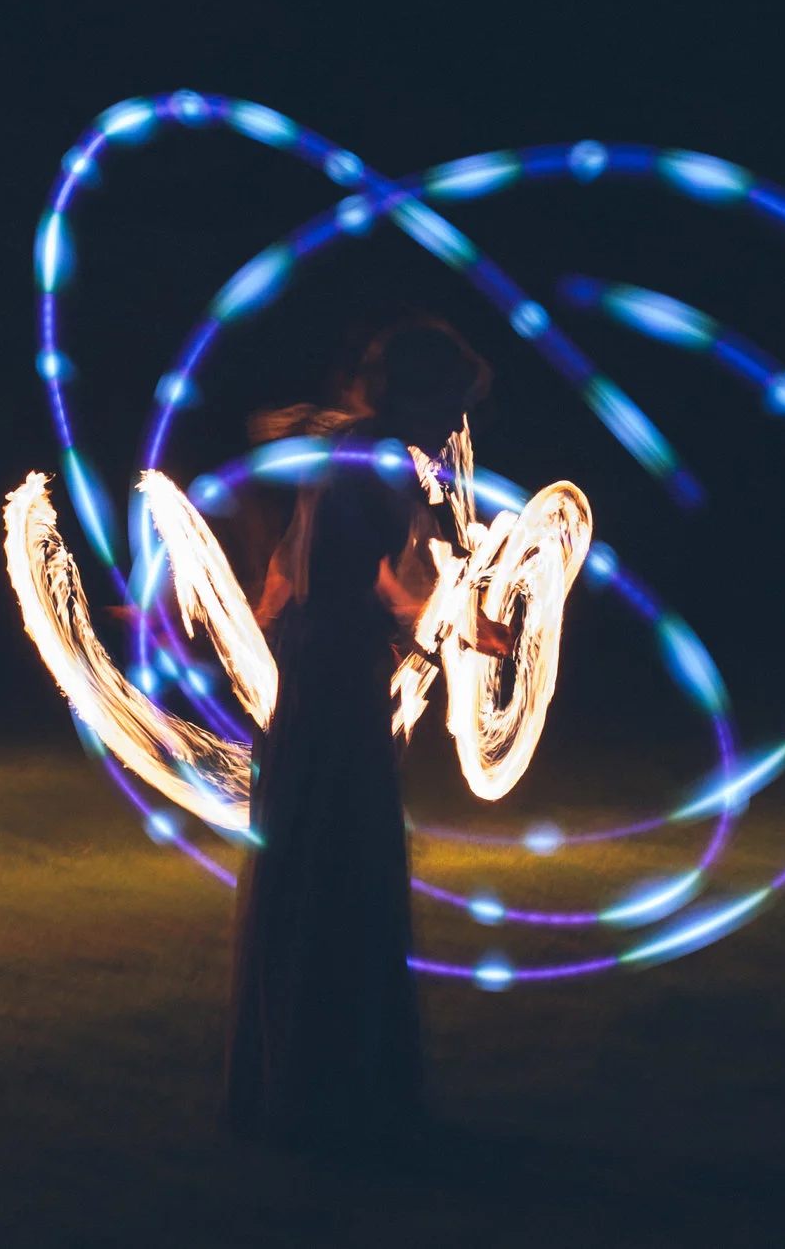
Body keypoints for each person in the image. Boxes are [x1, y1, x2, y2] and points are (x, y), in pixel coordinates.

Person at [226, 318, 501, 1147]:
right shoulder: (379, 457)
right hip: (338, 679)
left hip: (323, 670)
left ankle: (303, 1086)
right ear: (417, 395)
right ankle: (335, 1094)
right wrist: (443, 620)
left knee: (319, 857)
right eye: (450, 405)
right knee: (343, 862)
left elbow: (356, 573)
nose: (455, 426)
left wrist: (457, 622)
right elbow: (359, 576)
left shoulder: (355, 449)